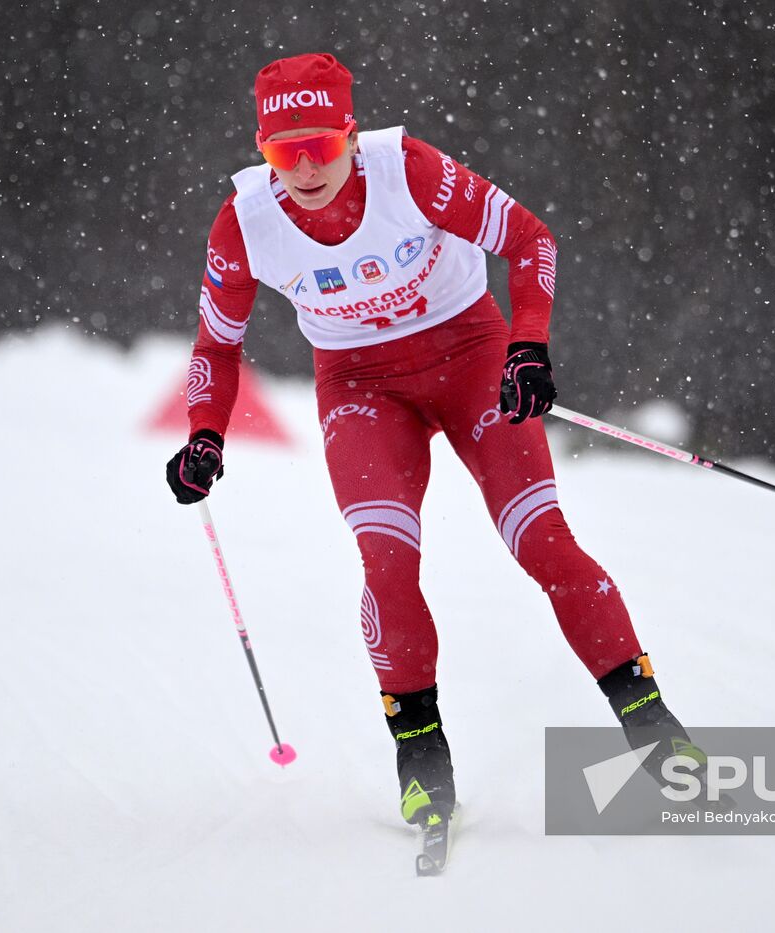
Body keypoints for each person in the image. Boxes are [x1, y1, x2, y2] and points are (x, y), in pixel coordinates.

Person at [166, 53, 703, 829]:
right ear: (262, 149)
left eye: (322, 144)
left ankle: (651, 726)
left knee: (544, 540)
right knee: (387, 560)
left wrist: (528, 344)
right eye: (287, 153)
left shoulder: (407, 172)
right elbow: (215, 347)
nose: (307, 168)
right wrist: (204, 437)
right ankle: (421, 756)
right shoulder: (243, 223)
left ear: (351, 134)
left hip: (471, 357)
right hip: (360, 388)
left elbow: (529, 240)